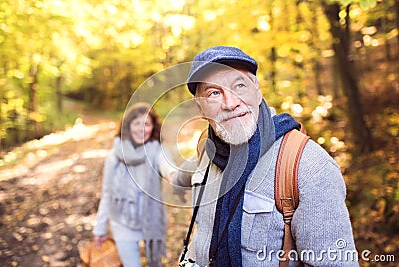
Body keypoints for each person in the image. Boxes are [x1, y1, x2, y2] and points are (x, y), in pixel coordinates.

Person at [173, 46, 359, 266]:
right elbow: (185, 183)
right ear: (201, 108)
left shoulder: (308, 166)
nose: (231, 103)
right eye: (214, 93)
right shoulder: (207, 149)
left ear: (258, 90)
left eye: (240, 86)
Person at [93, 102, 174, 267]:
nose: (141, 129)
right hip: (123, 223)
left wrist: (176, 175)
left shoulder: (157, 150)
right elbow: (107, 194)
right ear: (128, 125)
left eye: (147, 124)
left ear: (153, 128)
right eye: (136, 123)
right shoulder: (114, 156)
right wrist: (100, 228)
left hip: (151, 221)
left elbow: (168, 166)